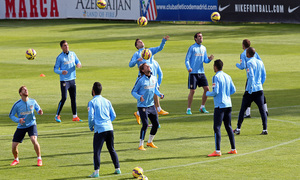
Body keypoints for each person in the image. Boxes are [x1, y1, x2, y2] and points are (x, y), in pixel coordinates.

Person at [130, 36, 170, 124]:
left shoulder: (149, 51)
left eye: (141, 41)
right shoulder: (137, 54)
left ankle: (154, 118)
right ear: (136, 46)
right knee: (145, 98)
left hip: (151, 76)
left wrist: (163, 41)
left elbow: (159, 48)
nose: (141, 42)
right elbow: (130, 64)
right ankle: (149, 114)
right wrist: (137, 60)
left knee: (151, 97)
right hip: (142, 78)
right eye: (139, 42)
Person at [88, 82, 121, 178]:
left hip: (99, 130)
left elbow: (91, 117)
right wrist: (108, 122)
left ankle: (96, 172)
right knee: (111, 149)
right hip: (109, 128)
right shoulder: (107, 101)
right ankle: (117, 168)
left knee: (97, 151)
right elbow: (113, 115)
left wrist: (91, 126)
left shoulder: (92, 102)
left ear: (93, 91)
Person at [234, 47, 268, 135]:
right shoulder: (260, 62)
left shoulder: (249, 63)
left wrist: (251, 88)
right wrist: (259, 84)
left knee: (242, 109)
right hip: (259, 89)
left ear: (247, 54)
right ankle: (265, 129)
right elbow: (264, 75)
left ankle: (238, 128)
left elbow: (251, 75)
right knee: (262, 110)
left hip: (250, 90)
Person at [206, 60, 237, 157]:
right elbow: (233, 90)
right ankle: (233, 149)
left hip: (220, 105)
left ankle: (217, 151)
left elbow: (215, 92)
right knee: (228, 127)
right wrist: (226, 95)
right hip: (228, 104)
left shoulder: (216, 77)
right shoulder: (228, 76)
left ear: (215, 67)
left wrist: (207, 93)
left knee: (217, 127)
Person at [131, 63, 164, 150]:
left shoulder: (153, 78)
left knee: (156, 124)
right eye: (147, 67)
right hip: (142, 106)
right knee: (145, 124)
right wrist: (139, 97)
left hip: (151, 105)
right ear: (143, 70)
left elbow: (155, 89)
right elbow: (133, 91)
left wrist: (160, 94)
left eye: (149, 66)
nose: (149, 67)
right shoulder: (140, 80)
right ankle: (140, 144)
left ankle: (150, 142)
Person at [9, 86, 43, 166]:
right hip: (21, 126)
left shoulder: (33, 101)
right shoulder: (17, 105)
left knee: (34, 140)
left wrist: (40, 112)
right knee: (14, 146)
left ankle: (39, 159)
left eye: (26, 89)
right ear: (20, 93)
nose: (26, 90)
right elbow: (11, 115)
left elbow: (38, 110)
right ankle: (16, 159)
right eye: (24, 90)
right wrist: (18, 120)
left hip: (31, 124)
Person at [236, 39, 268, 118]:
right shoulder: (255, 52)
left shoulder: (243, 54)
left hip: (250, 76)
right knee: (261, 94)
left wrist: (237, 65)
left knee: (248, 94)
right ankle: (266, 110)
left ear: (243, 45)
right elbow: (260, 61)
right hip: (258, 76)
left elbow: (242, 66)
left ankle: (247, 113)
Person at [185, 32, 214, 115]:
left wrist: (209, 59)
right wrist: (189, 68)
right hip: (193, 73)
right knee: (192, 91)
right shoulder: (192, 48)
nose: (201, 38)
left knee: (207, 89)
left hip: (201, 72)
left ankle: (202, 107)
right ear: (195, 38)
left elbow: (205, 60)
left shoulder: (204, 48)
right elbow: (187, 59)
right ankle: (188, 109)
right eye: (199, 36)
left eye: (201, 36)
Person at [54, 40, 82, 123]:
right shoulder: (59, 57)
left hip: (72, 79)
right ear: (62, 47)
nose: (67, 47)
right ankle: (57, 115)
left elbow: (78, 61)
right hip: (64, 81)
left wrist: (79, 64)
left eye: (67, 45)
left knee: (73, 98)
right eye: (65, 45)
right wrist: (61, 72)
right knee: (64, 98)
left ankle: (75, 116)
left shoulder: (73, 54)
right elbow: (55, 69)